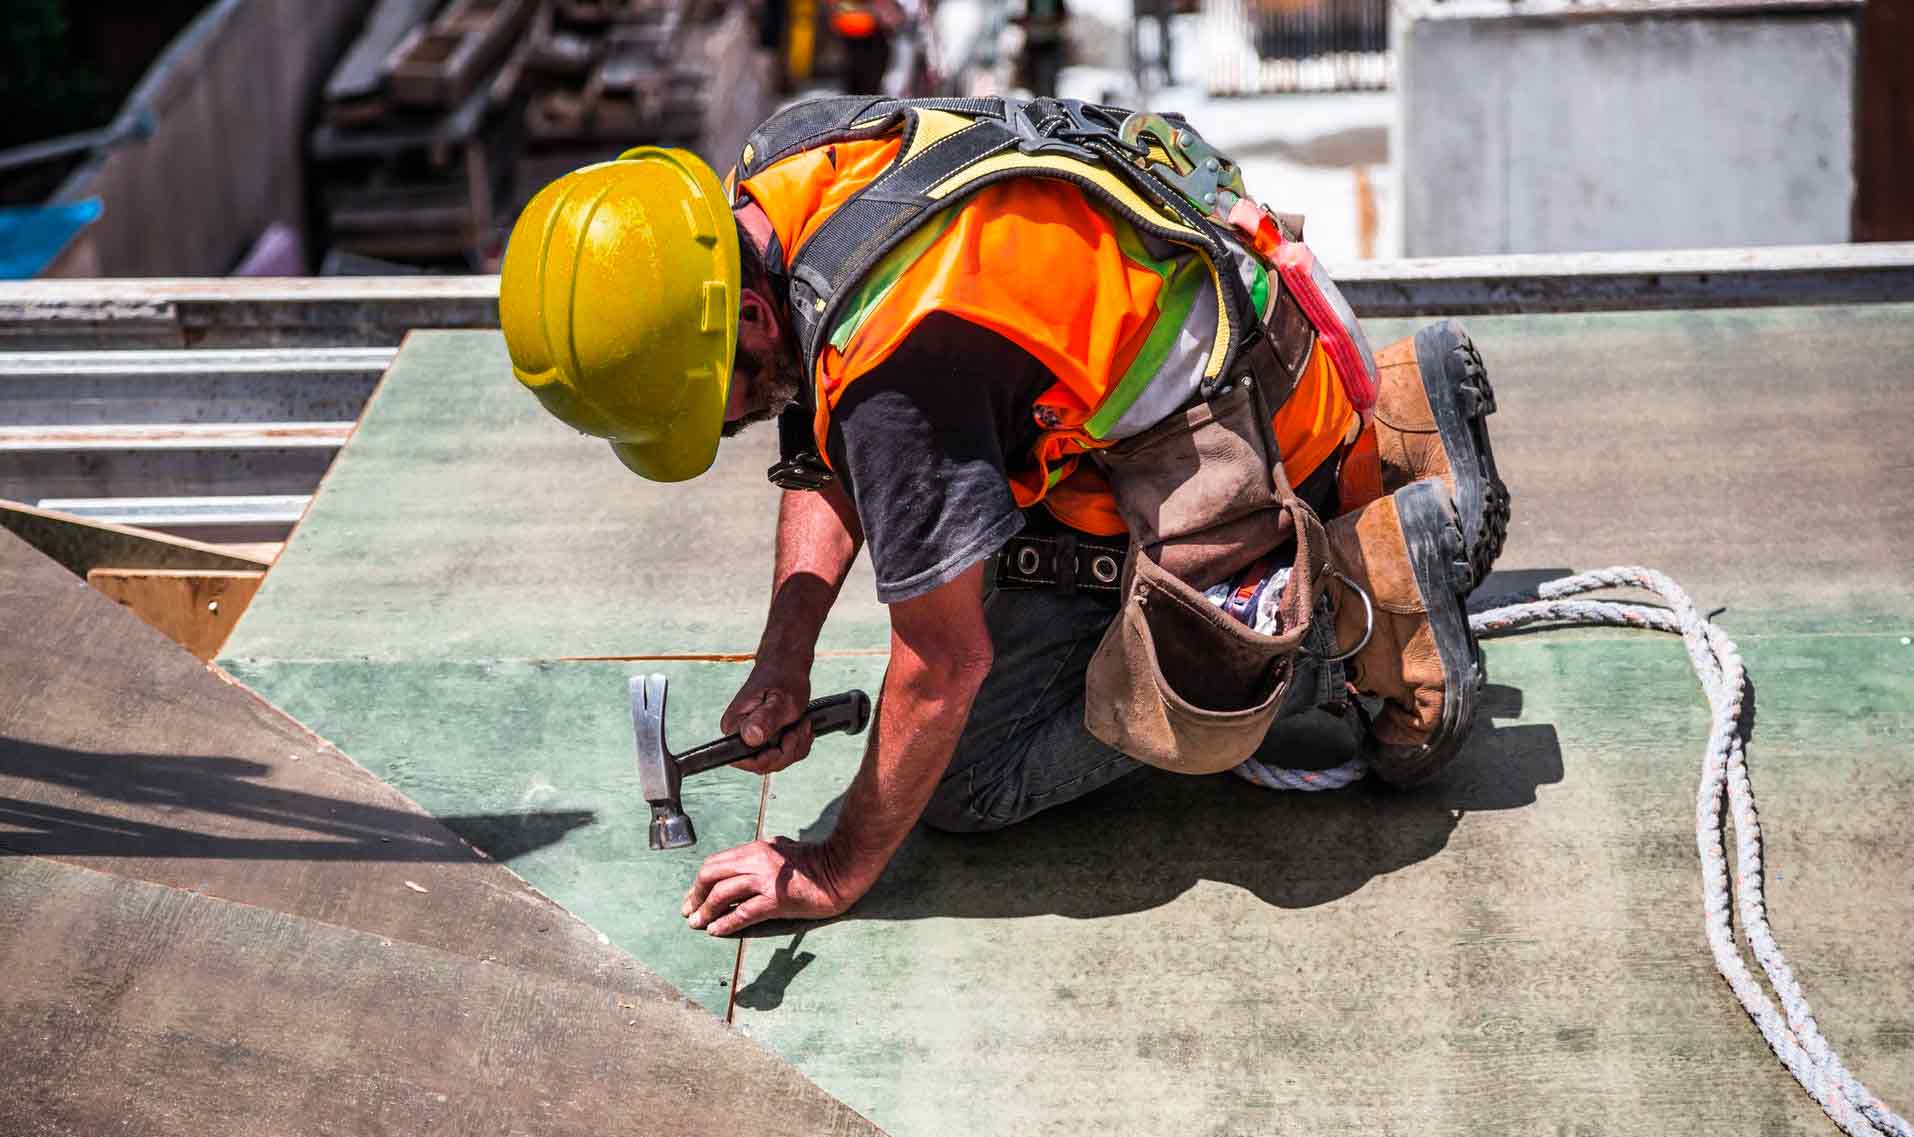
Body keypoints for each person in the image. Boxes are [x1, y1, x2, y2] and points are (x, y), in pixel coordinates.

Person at [498, 95, 1510, 938]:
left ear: (749, 316)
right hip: (1254, 340)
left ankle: (1361, 601)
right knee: (962, 549)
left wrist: (834, 866)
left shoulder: (900, 366)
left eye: (706, 407)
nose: (720, 431)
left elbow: (943, 667)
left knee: (972, 777)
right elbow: (823, 431)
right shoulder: (788, 171)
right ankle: (1399, 421)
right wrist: (785, 653)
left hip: (1234, 446)